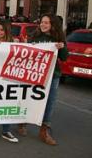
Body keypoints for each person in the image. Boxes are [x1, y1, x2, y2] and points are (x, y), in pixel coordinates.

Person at [18, 14, 67, 145]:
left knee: (49, 103)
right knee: (29, 98)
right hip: (34, 74)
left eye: (46, 23)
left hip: (52, 75)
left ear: (53, 25)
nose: (43, 25)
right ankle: (22, 121)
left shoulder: (57, 38)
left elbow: (64, 57)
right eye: (42, 22)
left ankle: (44, 131)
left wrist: (61, 48)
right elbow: (26, 54)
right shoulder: (35, 36)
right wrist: (30, 47)